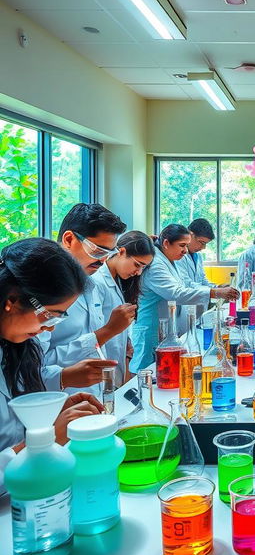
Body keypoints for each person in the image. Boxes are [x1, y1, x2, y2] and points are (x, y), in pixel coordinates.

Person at [1, 238, 104, 493]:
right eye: (49, 315)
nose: (48, 328)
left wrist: (47, 411)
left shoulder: (16, 346)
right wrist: (43, 441)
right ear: (11, 300)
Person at [40, 203, 131, 395]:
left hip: (94, 396)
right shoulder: (41, 290)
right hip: (61, 399)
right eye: (98, 251)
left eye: (108, 253)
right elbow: (39, 362)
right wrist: (107, 331)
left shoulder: (91, 283)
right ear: (69, 239)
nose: (103, 260)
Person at [132, 224, 239, 371]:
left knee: (161, 374)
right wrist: (214, 293)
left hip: (166, 327)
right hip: (151, 328)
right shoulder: (156, 264)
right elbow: (176, 294)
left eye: (187, 246)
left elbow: (186, 285)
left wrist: (215, 289)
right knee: (144, 374)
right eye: (182, 245)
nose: (185, 251)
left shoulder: (169, 261)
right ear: (166, 243)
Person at [92, 231, 155, 386]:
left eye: (143, 268)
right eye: (137, 265)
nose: (138, 272)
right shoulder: (97, 280)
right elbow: (95, 329)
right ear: (121, 252)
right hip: (97, 363)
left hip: (116, 362)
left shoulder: (122, 281)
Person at [176, 218, 215, 289]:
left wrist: (217, 287)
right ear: (190, 235)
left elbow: (202, 280)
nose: (203, 247)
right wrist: (213, 292)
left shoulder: (198, 255)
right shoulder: (178, 255)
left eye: (206, 244)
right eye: (202, 242)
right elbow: (186, 283)